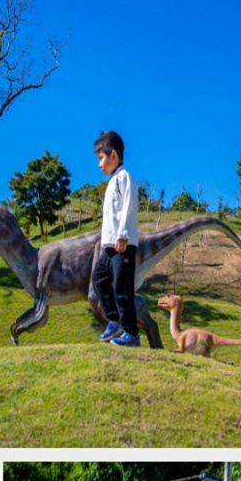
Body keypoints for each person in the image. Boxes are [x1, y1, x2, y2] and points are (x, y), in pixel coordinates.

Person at [91, 130, 140, 347]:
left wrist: (123, 235)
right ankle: (115, 320)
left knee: (122, 289)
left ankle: (132, 334)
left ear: (114, 155)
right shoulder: (112, 182)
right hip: (109, 248)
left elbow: (130, 206)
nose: (99, 164)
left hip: (123, 246)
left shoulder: (124, 178)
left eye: (101, 158)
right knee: (98, 278)